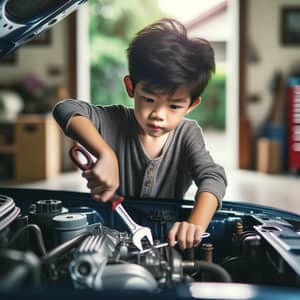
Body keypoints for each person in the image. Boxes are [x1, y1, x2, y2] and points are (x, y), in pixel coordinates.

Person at [53, 18, 227, 250]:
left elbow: (213, 177)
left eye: (174, 106)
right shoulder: (114, 120)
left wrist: (195, 224)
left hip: (168, 240)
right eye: (149, 99)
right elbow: (65, 109)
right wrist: (106, 154)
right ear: (131, 87)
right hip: (109, 233)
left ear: (191, 105)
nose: (158, 114)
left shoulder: (188, 133)